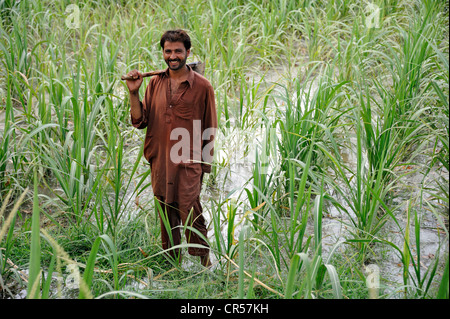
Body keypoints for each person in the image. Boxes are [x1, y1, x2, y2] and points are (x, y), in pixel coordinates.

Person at [125, 30, 217, 267]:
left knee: (190, 210)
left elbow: (209, 127)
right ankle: (172, 265)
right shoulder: (155, 83)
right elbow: (139, 122)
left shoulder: (202, 86)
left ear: (188, 52)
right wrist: (134, 93)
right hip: (160, 160)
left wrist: (204, 167)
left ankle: (204, 265)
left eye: (178, 51)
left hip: (189, 161)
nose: (173, 56)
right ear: (163, 53)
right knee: (166, 212)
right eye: (168, 51)